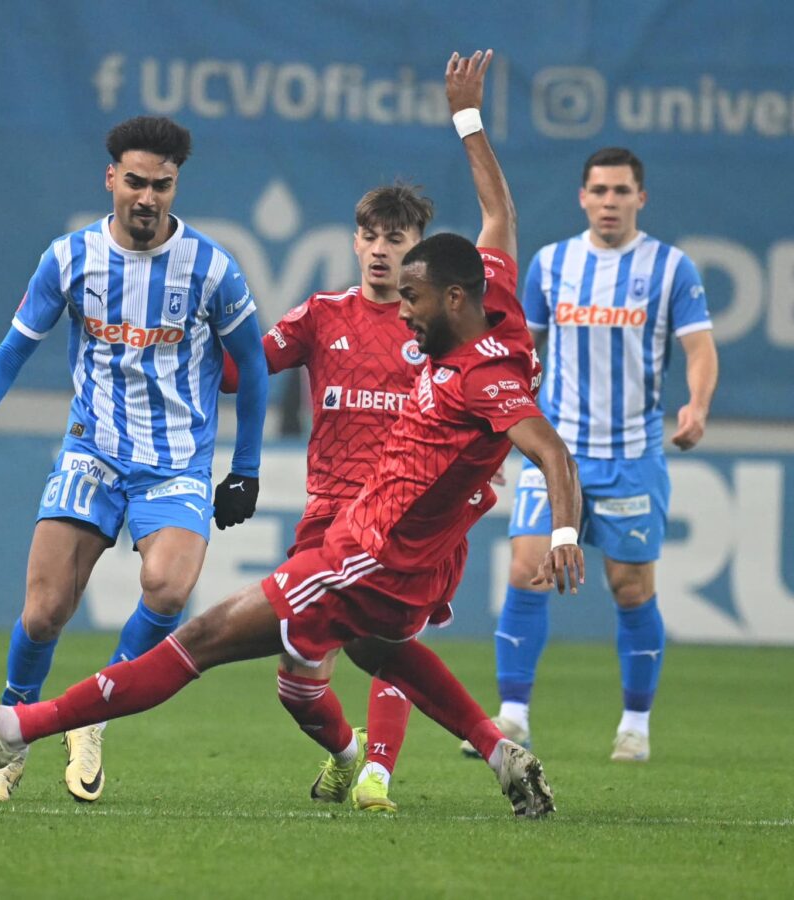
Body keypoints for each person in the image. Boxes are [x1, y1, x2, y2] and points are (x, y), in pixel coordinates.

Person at [0, 50, 583, 821]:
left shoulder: (481, 377)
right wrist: (469, 117)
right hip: (400, 558)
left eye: (412, 298)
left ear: (451, 296)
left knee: (199, 637)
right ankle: (494, 752)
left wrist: (565, 529)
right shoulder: (491, 295)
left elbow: (547, 446)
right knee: (371, 652)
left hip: (366, 550)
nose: (401, 312)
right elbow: (500, 217)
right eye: (389, 275)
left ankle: (15, 728)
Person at [0, 115, 269, 804]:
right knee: (45, 611)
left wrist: (247, 468)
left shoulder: (212, 268)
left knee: (169, 589)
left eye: (162, 185)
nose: (147, 197)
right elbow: (13, 349)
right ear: (110, 177)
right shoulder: (68, 258)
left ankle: (92, 717)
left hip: (176, 463)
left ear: (177, 187)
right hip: (93, 455)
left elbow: (254, 368)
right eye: (135, 181)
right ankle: (11, 736)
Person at [215, 50, 516, 814]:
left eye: (397, 236)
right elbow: (240, 370)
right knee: (296, 675)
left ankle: (380, 770)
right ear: (355, 242)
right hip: (328, 518)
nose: (381, 248)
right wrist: (184, 337)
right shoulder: (322, 316)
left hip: (406, 520)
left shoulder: (440, 327)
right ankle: (348, 752)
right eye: (370, 235)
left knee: (391, 637)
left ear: (416, 247)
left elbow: (498, 235)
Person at [463, 146, 718, 764]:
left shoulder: (670, 268)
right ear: (582, 197)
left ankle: (635, 724)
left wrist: (698, 405)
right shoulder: (551, 266)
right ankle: (515, 717)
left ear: (640, 198)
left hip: (631, 454)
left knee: (630, 590)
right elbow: (521, 354)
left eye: (621, 191)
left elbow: (700, 347)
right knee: (526, 568)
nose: (609, 202)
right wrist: (501, 430)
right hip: (558, 452)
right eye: (599, 191)